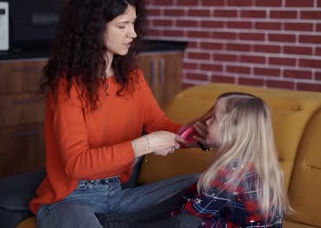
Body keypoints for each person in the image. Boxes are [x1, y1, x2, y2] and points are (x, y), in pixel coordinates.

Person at [29, 0, 199, 228]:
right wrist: (144, 145)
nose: (132, 33)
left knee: (207, 182)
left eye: (133, 24)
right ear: (94, 27)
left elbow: (159, 123)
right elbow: (77, 164)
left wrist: (199, 135)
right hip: (69, 200)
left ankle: (115, 222)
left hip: (117, 195)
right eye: (122, 26)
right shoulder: (68, 85)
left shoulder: (132, 77)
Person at [98, 92, 291, 228]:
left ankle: (118, 223)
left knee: (183, 222)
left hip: (211, 220)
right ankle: (118, 221)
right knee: (191, 191)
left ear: (233, 130)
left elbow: (188, 215)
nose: (206, 122)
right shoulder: (251, 162)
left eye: (214, 118)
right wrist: (192, 137)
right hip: (226, 220)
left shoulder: (230, 172)